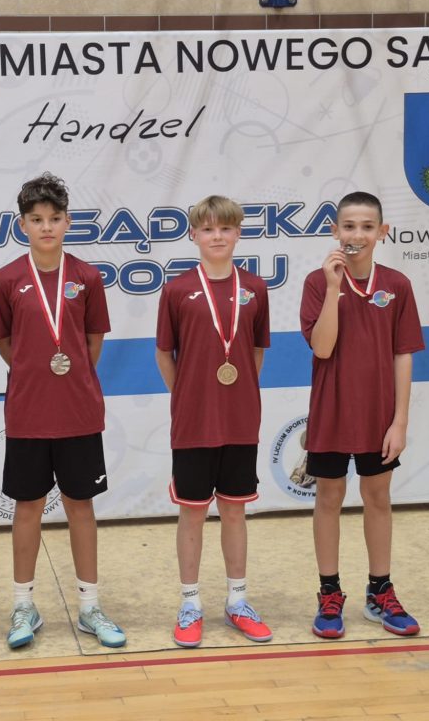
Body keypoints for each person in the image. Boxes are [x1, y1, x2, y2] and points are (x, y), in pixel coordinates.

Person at [0, 172, 126, 650]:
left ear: (68, 221)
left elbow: (92, 343)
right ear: (22, 225)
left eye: (54, 218)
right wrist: (36, 372)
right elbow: (6, 342)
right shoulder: (7, 280)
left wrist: (68, 375)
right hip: (28, 414)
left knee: (80, 506)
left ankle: (90, 606)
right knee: (27, 507)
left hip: (78, 414)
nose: (46, 227)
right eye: (36, 219)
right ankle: (23, 604)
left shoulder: (87, 277)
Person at [300, 191, 425, 639]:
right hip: (331, 412)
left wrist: (400, 421)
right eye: (349, 226)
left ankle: (380, 591)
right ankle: (329, 593)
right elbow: (323, 347)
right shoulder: (318, 283)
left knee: (378, 497)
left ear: (382, 232)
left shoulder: (397, 284)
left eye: (367, 227)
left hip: (378, 416)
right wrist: (334, 288)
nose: (357, 234)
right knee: (328, 498)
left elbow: (403, 354)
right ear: (335, 231)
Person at [155, 195, 273, 648]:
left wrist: (237, 393)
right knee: (192, 512)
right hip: (193, 422)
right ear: (193, 235)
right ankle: (190, 603)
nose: (217, 236)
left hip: (240, 420)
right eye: (207, 229)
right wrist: (188, 395)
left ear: (238, 232)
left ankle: (237, 600)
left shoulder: (255, 288)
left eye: (225, 228)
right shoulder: (177, 290)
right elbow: (164, 353)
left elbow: (256, 351)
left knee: (235, 510)